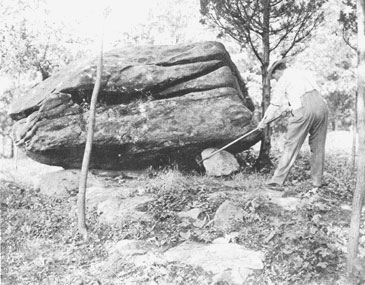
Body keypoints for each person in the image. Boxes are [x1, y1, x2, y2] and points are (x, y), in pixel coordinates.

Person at [257, 59, 329, 191]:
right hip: (322, 106)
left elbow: (275, 104)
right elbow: (307, 95)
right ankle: (317, 182)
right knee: (318, 146)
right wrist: (291, 108)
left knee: (291, 145)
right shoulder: (303, 72)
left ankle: (277, 182)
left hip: (304, 110)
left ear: (277, 71)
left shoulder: (284, 78)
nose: (276, 81)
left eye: (274, 78)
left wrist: (264, 121)